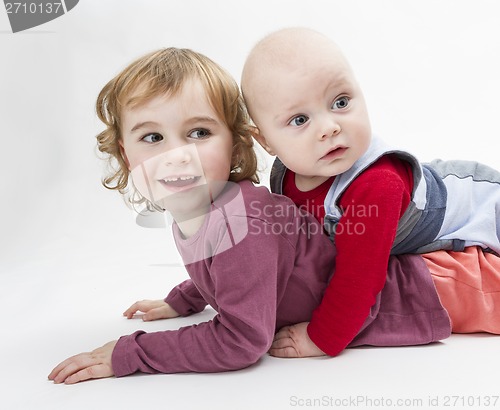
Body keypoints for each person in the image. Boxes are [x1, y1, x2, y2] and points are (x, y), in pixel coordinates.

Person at [48, 47, 461, 385]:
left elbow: (242, 340)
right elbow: (234, 273)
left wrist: (131, 353)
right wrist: (184, 298)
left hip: (434, 289)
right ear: (126, 152)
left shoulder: (245, 222)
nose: (177, 155)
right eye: (152, 137)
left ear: (238, 142)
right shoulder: (201, 206)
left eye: (199, 133)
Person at [241, 27, 500, 359]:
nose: (329, 127)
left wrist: (321, 338)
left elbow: (359, 278)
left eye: (341, 102)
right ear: (265, 141)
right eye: (300, 119)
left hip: (483, 203)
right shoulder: (287, 175)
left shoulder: (376, 186)